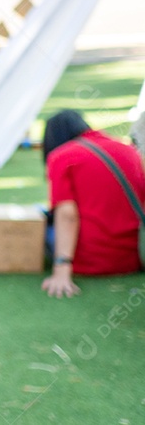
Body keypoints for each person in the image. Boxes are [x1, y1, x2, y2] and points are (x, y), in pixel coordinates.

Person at [40, 109, 145, 298]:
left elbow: (67, 215)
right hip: (132, 258)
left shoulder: (62, 156)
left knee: (37, 219)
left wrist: (62, 268)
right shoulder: (129, 151)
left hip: (90, 261)